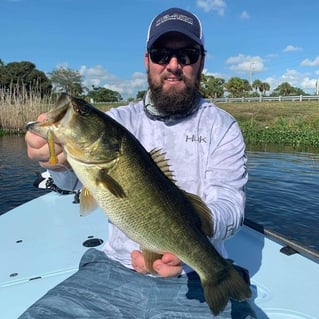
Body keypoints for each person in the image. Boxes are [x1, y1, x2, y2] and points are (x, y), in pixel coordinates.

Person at [21, 7, 256, 319]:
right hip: (114, 268)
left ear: (201, 61)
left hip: (192, 276)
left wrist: (184, 246)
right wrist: (56, 163)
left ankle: (216, 276)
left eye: (186, 54)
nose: (173, 65)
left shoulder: (222, 126)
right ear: (147, 60)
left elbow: (228, 202)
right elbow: (71, 183)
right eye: (161, 54)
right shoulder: (119, 120)